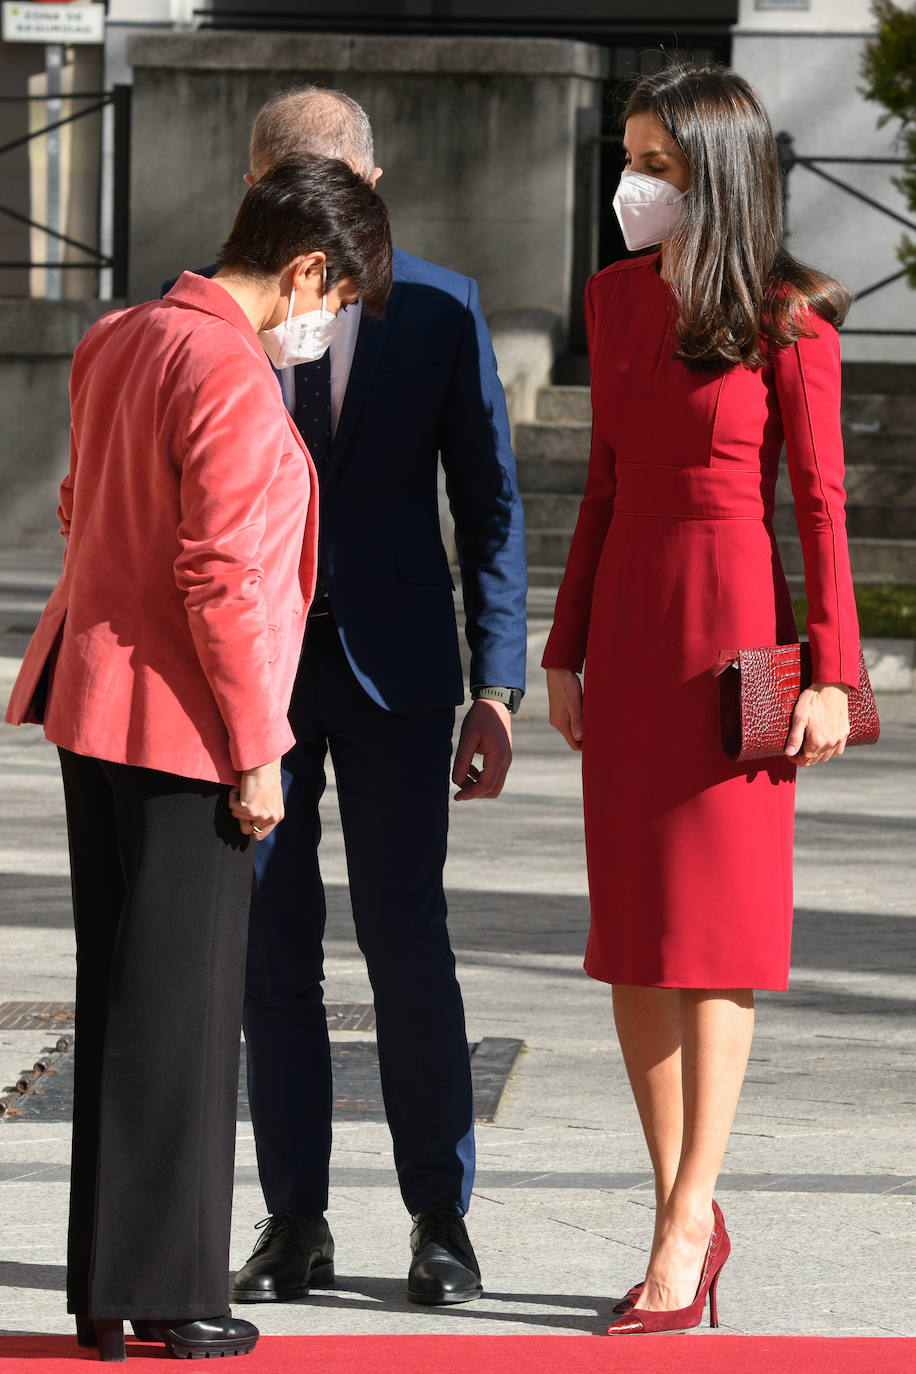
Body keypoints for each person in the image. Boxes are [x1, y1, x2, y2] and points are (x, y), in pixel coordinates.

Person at [5, 155, 391, 1361]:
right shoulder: (227, 363)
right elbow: (224, 575)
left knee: (124, 1002)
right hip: (185, 722)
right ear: (307, 269)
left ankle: (113, 1292)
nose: (328, 324)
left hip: (93, 696)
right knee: (180, 1012)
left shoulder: (122, 335)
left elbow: (80, 505)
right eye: (338, 297)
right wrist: (257, 748)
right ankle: (176, 1298)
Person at [542, 61, 859, 1337]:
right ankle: (673, 1199)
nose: (633, 188)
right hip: (624, 635)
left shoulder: (791, 321)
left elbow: (824, 505)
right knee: (633, 937)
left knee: (716, 937)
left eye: (659, 168)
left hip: (744, 643)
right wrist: (558, 647)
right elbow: (603, 486)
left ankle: (687, 1219)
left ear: (716, 175)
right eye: (629, 161)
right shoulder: (613, 300)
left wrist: (833, 671)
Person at [220, 87, 527, 1308]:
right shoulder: (211, 311)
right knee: (269, 954)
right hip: (252, 682)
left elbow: (491, 505)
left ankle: (438, 1219)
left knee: (409, 944)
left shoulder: (441, 308)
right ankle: (294, 1217)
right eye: (286, 178)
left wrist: (495, 682)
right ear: (255, 190)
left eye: (332, 175)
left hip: (399, 675)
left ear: (372, 180)